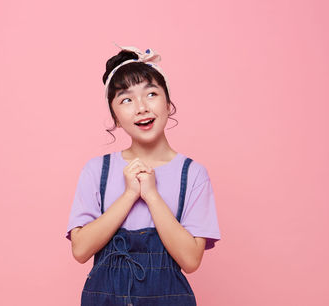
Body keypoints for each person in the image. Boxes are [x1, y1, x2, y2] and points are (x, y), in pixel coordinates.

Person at [65, 44, 221, 306]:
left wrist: (151, 195)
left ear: (168, 103)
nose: (141, 107)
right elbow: (80, 250)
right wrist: (129, 194)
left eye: (151, 94)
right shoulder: (96, 170)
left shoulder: (192, 174)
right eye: (126, 99)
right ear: (114, 116)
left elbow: (191, 260)